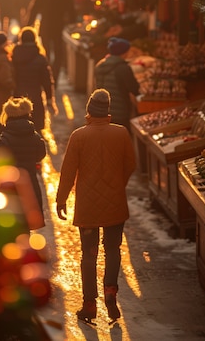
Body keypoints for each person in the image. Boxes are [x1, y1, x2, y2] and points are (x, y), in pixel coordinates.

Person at [56, 88, 136, 326]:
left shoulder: (78, 136)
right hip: (115, 205)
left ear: (89, 110)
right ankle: (110, 289)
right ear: (108, 111)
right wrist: (117, 185)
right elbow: (130, 164)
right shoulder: (121, 133)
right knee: (112, 249)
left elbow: (68, 171)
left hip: (88, 207)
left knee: (89, 254)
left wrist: (61, 199)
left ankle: (89, 304)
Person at [0, 96, 47, 224]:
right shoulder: (35, 137)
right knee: (26, 226)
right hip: (30, 186)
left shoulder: (4, 139)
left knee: (11, 225)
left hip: (10, 189)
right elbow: (40, 155)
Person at [26, 0, 77, 83]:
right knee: (58, 52)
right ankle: (55, 76)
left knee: (46, 51)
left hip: (45, 26)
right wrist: (72, 24)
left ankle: (46, 74)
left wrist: (29, 24)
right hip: (59, 26)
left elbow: (34, 8)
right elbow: (71, 10)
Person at [11, 26, 58, 135]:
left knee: (18, 130)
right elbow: (47, 81)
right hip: (35, 99)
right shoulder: (40, 59)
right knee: (35, 131)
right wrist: (50, 99)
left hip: (17, 98)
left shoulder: (14, 56)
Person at [94, 37, 140, 131]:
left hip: (102, 110)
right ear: (123, 52)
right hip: (120, 112)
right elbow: (134, 88)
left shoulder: (101, 65)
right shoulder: (123, 68)